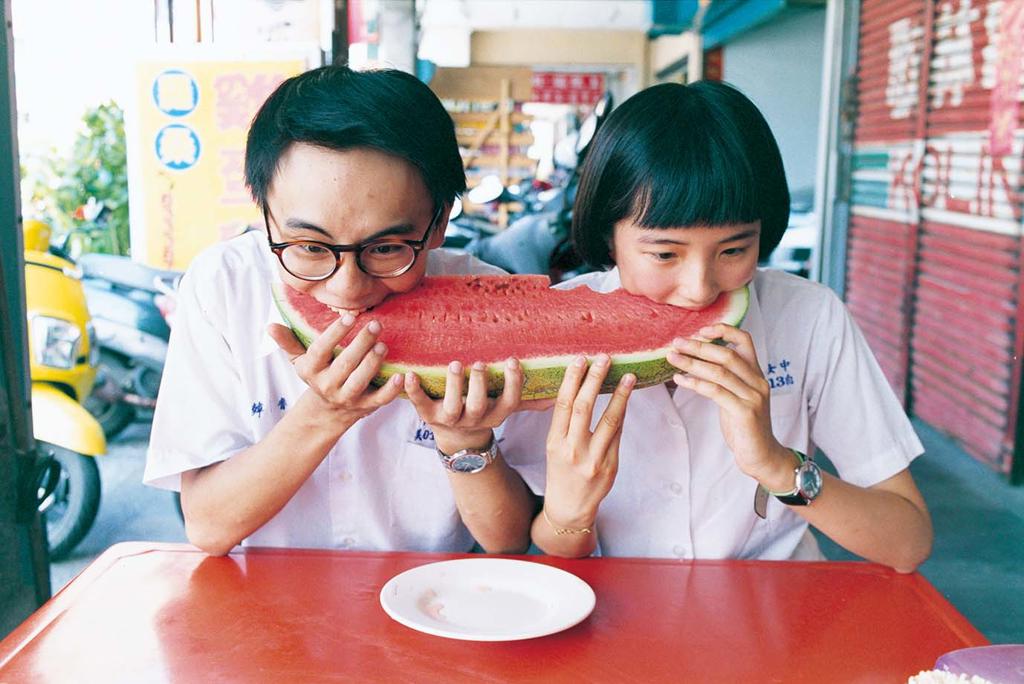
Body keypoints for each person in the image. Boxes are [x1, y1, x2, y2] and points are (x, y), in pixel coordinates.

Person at [499, 81, 933, 572]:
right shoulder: (551, 332)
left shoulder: (811, 316)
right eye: (665, 254)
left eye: (733, 250)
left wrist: (774, 464)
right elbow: (542, 543)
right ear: (608, 235)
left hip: (776, 613)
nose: (700, 289)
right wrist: (569, 510)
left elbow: (908, 541)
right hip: (617, 616)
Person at [144, 66, 539, 556]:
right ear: (263, 212)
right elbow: (207, 527)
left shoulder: (491, 305)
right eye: (310, 246)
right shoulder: (223, 287)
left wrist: (466, 439)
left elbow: (510, 540)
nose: (347, 287)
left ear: (437, 222)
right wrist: (323, 414)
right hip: (268, 612)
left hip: (436, 604)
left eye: (388, 248)